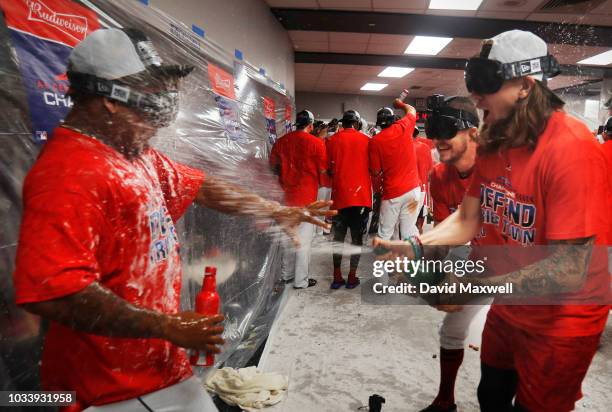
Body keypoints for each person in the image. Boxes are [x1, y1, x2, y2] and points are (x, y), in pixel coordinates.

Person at [13, 28, 333, 411]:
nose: (160, 112)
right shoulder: (70, 173)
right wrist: (167, 326)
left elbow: (201, 187)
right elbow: (56, 292)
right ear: (110, 100)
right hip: (109, 386)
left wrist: (275, 211)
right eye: (149, 95)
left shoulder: (133, 153)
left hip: (158, 366)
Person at [375, 30, 610, 412]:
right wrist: (418, 245)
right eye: (474, 85)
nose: (476, 97)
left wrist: (468, 284)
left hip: (563, 318)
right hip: (512, 298)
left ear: (525, 86)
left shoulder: (571, 150)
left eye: (486, 84)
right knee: (491, 393)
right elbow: (468, 216)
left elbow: (570, 270)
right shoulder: (496, 143)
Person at [418, 96, 485, 412]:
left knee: (511, 342)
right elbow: (445, 230)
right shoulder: (439, 176)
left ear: (472, 133)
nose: (438, 140)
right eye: (434, 130)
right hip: (476, 256)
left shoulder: (501, 167)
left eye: (447, 130)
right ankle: (445, 400)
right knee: (452, 329)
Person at [270, 109, 330, 289]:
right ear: (311, 125)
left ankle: (287, 275)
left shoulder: (281, 142)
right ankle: (300, 281)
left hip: (285, 198)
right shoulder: (317, 143)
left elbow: (273, 167)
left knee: (288, 239)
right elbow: (322, 171)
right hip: (306, 200)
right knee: (303, 242)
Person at [326, 110, 372, 289]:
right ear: (357, 123)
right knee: (356, 239)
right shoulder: (367, 140)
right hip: (360, 198)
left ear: (342, 123)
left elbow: (328, 169)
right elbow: (374, 168)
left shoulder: (331, 141)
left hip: (339, 198)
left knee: (338, 238)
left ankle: (337, 276)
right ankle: (352, 276)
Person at [370, 100, 420, 241]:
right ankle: (411, 262)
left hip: (393, 194)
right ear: (393, 119)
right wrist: (400, 104)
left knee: (384, 233)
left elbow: (375, 172)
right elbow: (411, 110)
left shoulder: (375, 141)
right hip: (413, 191)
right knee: (408, 233)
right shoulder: (404, 126)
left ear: (379, 124)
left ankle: (386, 263)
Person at [414, 125, 434, 233]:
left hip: (405, 191)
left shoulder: (401, 146)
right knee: (419, 222)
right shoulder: (425, 147)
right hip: (422, 191)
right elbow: (430, 172)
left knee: (405, 224)